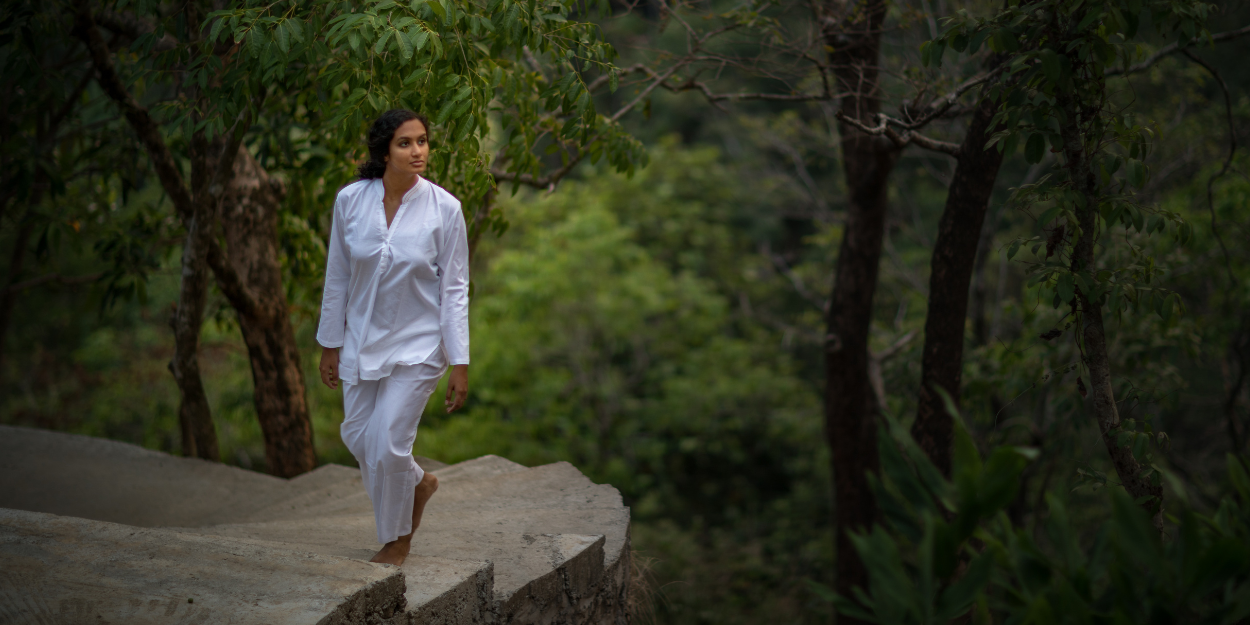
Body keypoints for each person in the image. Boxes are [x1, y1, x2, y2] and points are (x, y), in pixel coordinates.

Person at [316, 109, 470, 566]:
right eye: (406, 143)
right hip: (361, 341)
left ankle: (397, 539)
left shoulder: (446, 208)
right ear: (385, 150)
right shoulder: (350, 200)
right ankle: (419, 483)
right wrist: (330, 343)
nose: (418, 151)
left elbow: (455, 289)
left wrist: (459, 360)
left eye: (423, 141)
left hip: (420, 344)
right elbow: (338, 275)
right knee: (358, 435)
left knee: (388, 444)